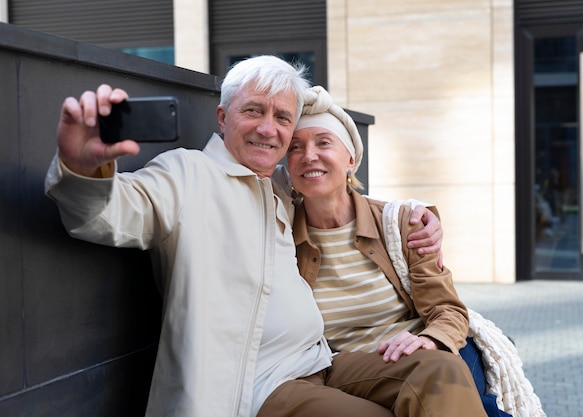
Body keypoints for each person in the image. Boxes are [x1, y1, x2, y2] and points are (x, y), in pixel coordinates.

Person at [44, 56, 444, 417]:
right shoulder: (188, 174)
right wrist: (81, 166)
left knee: (439, 371)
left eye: (283, 118)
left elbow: (339, 187)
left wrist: (416, 214)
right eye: (253, 111)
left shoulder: (281, 190)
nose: (268, 129)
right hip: (260, 385)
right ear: (222, 117)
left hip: (322, 362)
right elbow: (108, 215)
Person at [284, 85, 509, 417]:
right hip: (344, 366)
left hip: (422, 352)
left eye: (323, 142)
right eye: (295, 147)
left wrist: (430, 339)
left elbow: (448, 310)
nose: (309, 156)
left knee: (448, 375)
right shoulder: (279, 233)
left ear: (350, 160)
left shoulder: (401, 222)